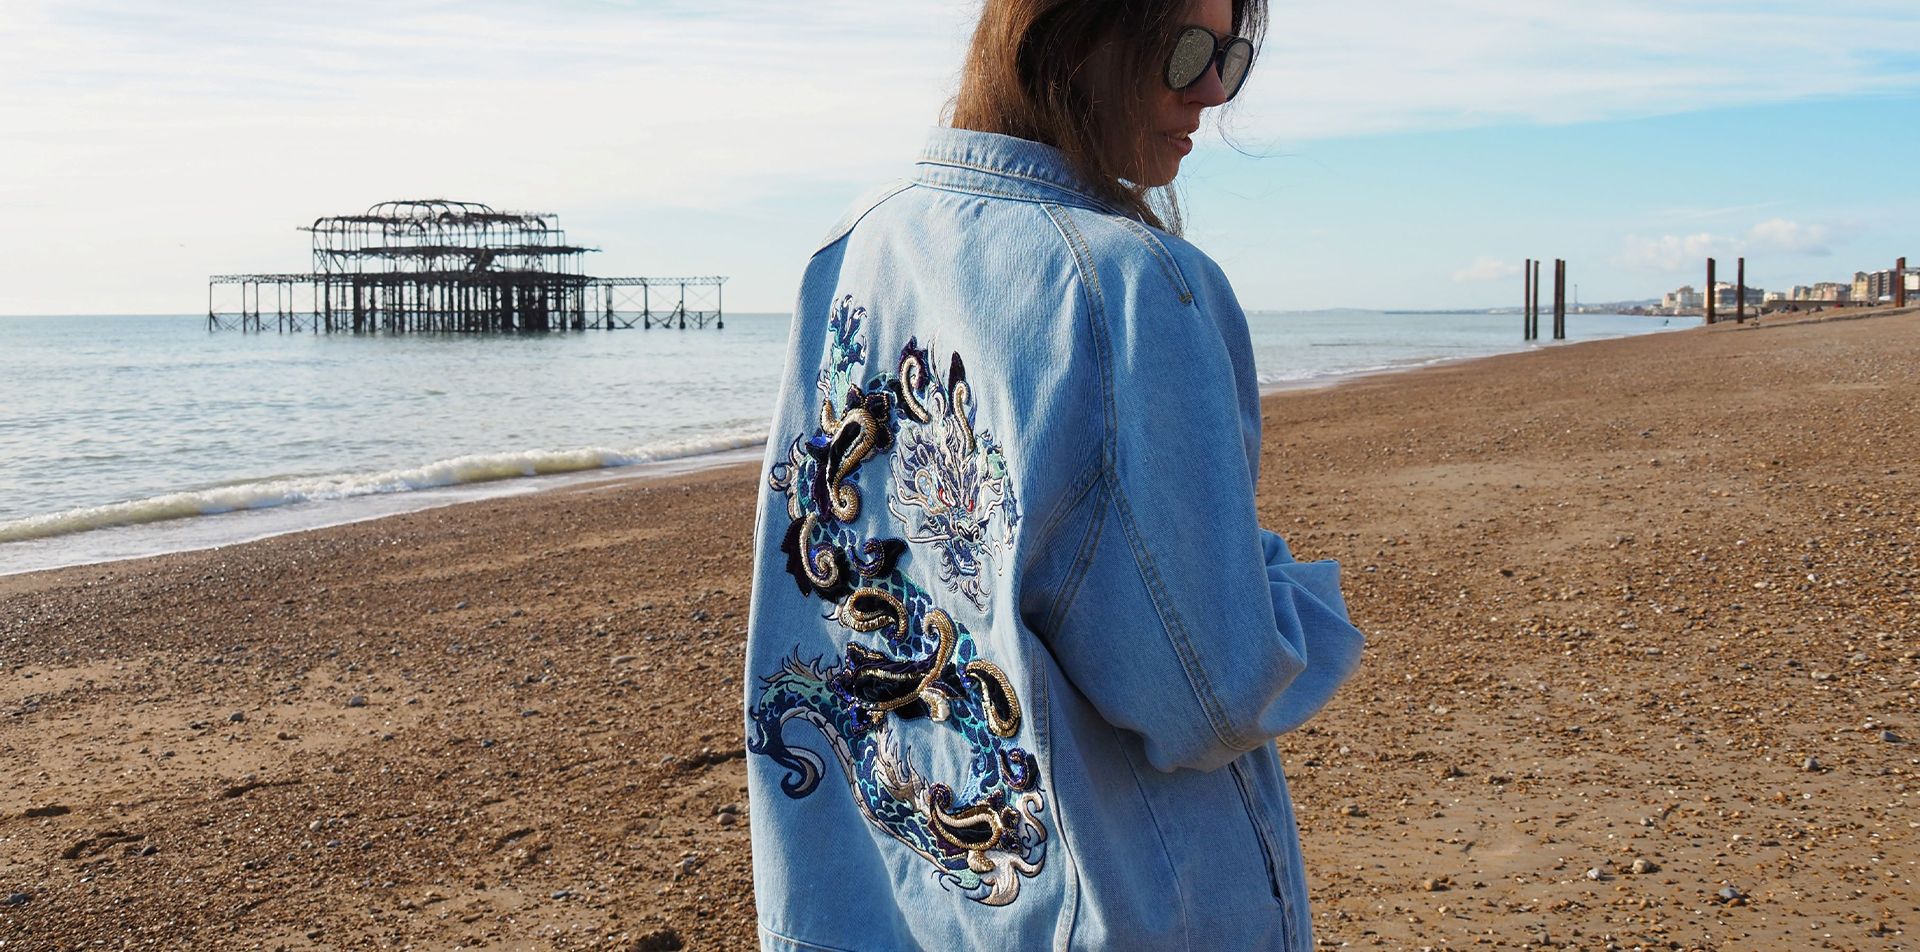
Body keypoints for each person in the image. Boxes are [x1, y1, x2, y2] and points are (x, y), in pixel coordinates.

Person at [742, 0, 1365, 948]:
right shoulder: (1134, 285)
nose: (1210, 92)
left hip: (891, 911)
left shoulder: (853, 249)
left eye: (1232, 59)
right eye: (1185, 51)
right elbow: (1211, 691)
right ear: (1070, 35)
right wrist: (1293, 596)